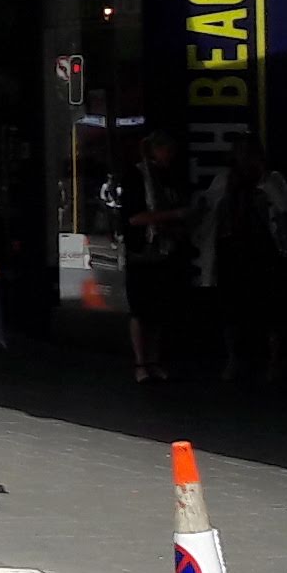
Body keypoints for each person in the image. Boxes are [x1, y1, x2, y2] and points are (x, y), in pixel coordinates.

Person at [196, 134, 287, 386]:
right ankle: (234, 360)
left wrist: (264, 179)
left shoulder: (272, 178)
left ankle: (274, 361)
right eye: (240, 153)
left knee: (270, 309)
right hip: (232, 251)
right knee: (232, 310)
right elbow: (209, 208)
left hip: (265, 250)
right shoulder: (224, 179)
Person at [106, 128, 194, 384]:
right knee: (141, 309)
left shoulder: (167, 176)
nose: (170, 156)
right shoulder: (137, 177)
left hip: (163, 249)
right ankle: (141, 361)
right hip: (142, 250)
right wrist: (173, 216)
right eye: (167, 151)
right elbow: (133, 218)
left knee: (157, 310)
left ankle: (152, 360)